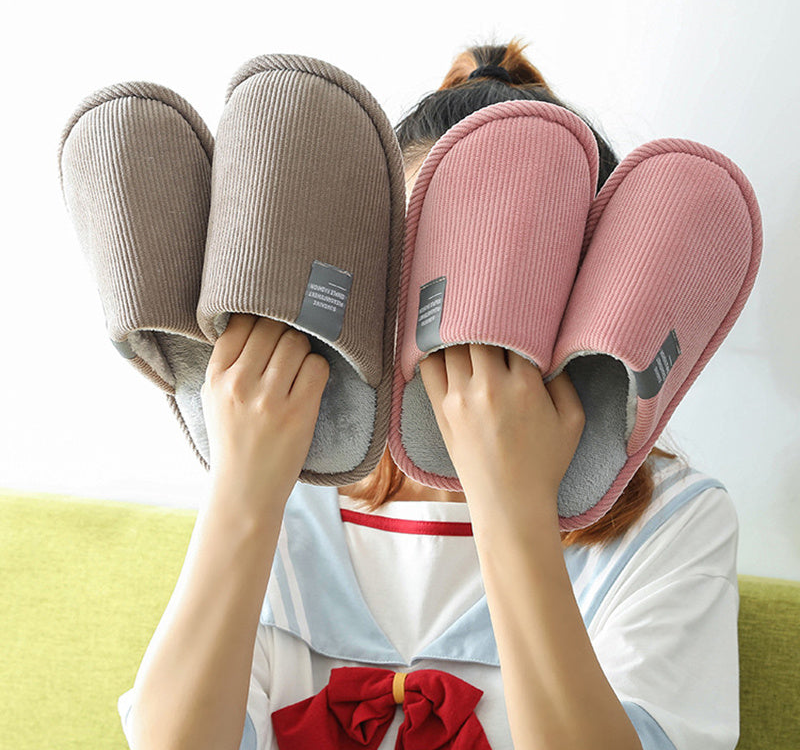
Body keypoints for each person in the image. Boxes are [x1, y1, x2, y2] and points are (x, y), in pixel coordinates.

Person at [118, 39, 740, 750]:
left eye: (513, 286)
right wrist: (242, 487)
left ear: (587, 288)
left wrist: (513, 504)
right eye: (434, 284)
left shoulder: (673, 523)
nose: (469, 338)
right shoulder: (294, 481)